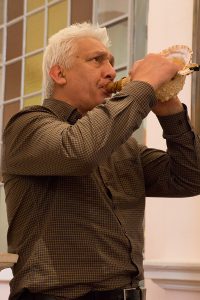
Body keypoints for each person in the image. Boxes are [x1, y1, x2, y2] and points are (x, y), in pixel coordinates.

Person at [2, 22, 200, 300]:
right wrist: (144, 86)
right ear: (59, 73)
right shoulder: (27, 125)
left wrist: (170, 110)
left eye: (111, 61)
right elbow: (81, 151)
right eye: (96, 60)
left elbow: (189, 179)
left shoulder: (122, 146)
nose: (110, 71)